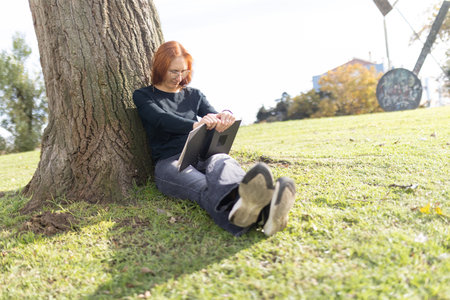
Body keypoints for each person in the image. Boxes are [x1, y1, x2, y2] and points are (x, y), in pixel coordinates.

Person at [133, 41, 296, 236]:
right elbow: (160, 119)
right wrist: (194, 124)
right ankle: (264, 214)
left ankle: (255, 209)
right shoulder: (143, 96)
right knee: (204, 186)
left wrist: (225, 115)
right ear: (160, 68)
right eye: (173, 71)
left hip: (203, 154)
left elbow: (214, 114)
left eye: (183, 71)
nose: (178, 77)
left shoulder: (194, 95)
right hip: (171, 162)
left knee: (223, 161)